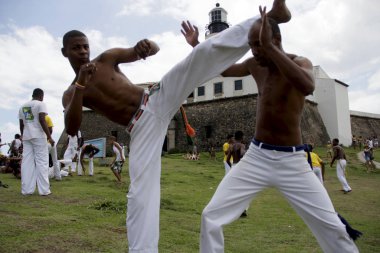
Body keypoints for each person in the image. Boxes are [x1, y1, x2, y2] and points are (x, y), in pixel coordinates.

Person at [61, 1, 290, 251]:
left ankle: (264, 22)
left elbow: (151, 50)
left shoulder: (106, 59)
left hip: (155, 98)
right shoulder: (71, 92)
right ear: (65, 52)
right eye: (76, 48)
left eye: (85, 46)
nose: (83, 52)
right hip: (139, 128)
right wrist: (81, 84)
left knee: (199, 56)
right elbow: (72, 128)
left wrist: (146, 46)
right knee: (140, 194)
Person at [198, 6, 359, 253]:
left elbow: (306, 85)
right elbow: (224, 70)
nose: (253, 51)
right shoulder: (254, 64)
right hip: (257, 156)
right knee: (211, 215)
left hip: (292, 160)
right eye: (251, 45)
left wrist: (271, 50)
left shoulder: (299, 63)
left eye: (258, 44)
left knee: (333, 227)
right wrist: (197, 45)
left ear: (276, 39)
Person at [18, 88, 54, 196]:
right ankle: (44, 190)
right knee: (42, 162)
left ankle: (27, 190)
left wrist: (23, 135)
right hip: (38, 136)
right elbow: (42, 120)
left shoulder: (22, 106)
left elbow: (21, 124)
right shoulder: (40, 104)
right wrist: (49, 137)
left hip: (27, 136)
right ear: (41, 96)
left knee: (27, 163)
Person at [226, 130, 248, 217]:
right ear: (242, 137)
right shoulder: (241, 145)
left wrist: (232, 167)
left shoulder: (231, 146)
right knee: (243, 189)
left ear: (235, 137)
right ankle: (243, 210)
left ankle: (232, 208)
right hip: (240, 168)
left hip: (233, 167)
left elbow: (227, 160)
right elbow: (242, 154)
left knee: (233, 189)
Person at [45, 115, 62, 181]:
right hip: (52, 142)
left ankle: (45, 177)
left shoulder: (39, 118)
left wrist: (46, 138)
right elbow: (51, 130)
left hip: (46, 143)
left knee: (45, 161)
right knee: (55, 161)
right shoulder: (48, 117)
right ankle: (58, 177)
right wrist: (49, 137)